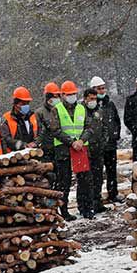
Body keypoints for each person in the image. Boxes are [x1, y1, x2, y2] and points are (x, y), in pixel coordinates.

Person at [46, 80, 96, 220]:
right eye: (69, 94)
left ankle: (86, 208)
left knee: (85, 179)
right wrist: (71, 142)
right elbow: (55, 130)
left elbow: (89, 127)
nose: (72, 96)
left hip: (80, 148)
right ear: (62, 95)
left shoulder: (81, 108)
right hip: (64, 149)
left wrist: (81, 140)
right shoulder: (57, 109)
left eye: (73, 94)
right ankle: (64, 211)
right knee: (64, 181)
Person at [88, 76, 121, 203]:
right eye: (99, 89)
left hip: (111, 144)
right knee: (96, 173)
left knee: (112, 170)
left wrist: (115, 134)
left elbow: (117, 121)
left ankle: (113, 194)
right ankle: (96, 197)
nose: (102, 91)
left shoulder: (110, 104)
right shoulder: (89, 106)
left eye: (103, 88)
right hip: (96, 145)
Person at [82, 87, 107, 215]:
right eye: (91, 99)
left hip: (98, 149)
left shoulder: (99, 111)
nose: (93, 101)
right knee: (86, 179)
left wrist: (103, 142)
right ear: (85, 99)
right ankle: (86, 205)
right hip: (85, 149)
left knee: (98, 178)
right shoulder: (80, 111)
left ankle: (97, 202)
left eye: (95, 99)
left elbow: (104, 128)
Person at [1, 87, 39, 152]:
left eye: (27, 103)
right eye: (23, 104)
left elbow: (40, 134)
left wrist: (35, 143)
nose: (26, 106)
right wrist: (22, 145)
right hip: (14, 156)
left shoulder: (33, 117)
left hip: (33, 153)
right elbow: (6, 139)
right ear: (15, 104)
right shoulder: (7, 118)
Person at [38, 82, 61, 184]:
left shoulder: (61, 110)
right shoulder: (40, 113)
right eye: (54, 96)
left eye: (57, 96)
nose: (56, 99)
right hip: (46, 149)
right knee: (48, 177)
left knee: (61, 176)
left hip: (60, 148)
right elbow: (39, 132)